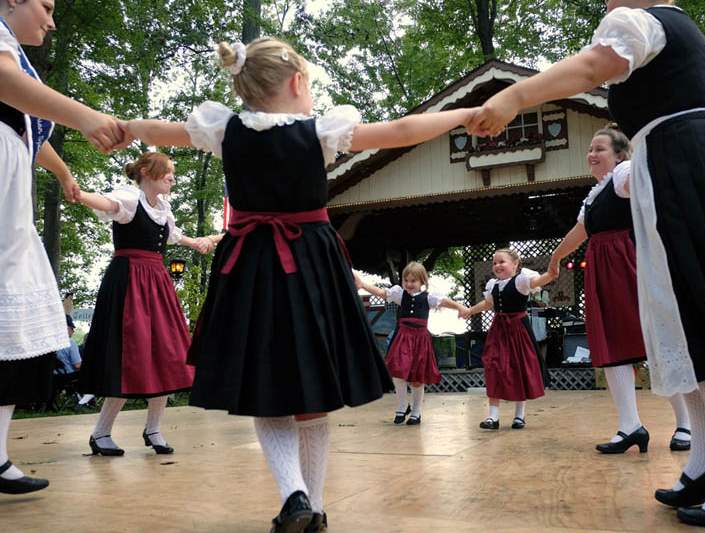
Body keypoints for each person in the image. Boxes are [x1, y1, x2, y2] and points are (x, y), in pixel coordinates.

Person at [123, 37, 478, 532]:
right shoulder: (318, 132)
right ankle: (311, 502)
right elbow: (400, 130)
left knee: (268, 386)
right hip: (310, 263)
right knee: (311, 390)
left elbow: (154, 129)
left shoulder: (226, 130)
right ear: (297, 82)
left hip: (249, 265)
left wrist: (119, 129)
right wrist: (464, 115)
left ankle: (295, 497)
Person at [468, 1, 705, 528]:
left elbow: (592, 66)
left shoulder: (642, 21)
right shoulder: (668, 30)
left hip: (686, 168)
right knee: (693, 325)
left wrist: (514, 95)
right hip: (685, 166)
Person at [0, 0, 125, 495]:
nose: (51, 20)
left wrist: (63, 170)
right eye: (45, 6)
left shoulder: (13, 52)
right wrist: (87, 117)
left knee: (13, 330)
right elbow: (8, 86)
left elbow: (25, 122)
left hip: (12, 194)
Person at [547, 124, 691, 454]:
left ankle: (687, 422)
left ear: (619, 155)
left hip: (629, 263)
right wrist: (555, 257)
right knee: (610, 345)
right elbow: (580, 231)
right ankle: (630, 426)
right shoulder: (594, 196)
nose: (592, 154)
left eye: (600, 149)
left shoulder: (625, 173)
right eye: (590, 150)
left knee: (655, 339)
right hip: (601, 267)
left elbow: (645, 185)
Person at [76, 152, 214, 457]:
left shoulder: (163, 210)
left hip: (157, 281)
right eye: (168, 172)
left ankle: (153, 429)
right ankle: (101, 433)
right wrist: (80, 193)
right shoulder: (128, 201)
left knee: (166, 353)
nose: (172, 178)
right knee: (131, 355)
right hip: (129, 282)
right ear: (147, 172)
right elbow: (107, 204)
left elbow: (176, 237)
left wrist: (202, 241)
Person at [355, 262, 467, 425]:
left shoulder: (429, 297)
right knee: (397, 372)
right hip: (403, 338)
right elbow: (381, 292)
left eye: (413, 281)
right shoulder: (400, 295)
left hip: (420, 340)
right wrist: (363, 284)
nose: (408, 284)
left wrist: (460, 307)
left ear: (422, 281)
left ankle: (416, 411)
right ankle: (402, 405)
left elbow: (445, 302)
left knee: (416, 377)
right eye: (406, 280)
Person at [460, 249, 552, 430]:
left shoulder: (522, 280)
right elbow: (487, 304)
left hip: (518, 329)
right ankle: (493, 417)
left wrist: (552, 272)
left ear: (515, 263)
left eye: (502, 262)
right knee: (493, 367)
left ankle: (519, 415)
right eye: (494, 263)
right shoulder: (493, 284)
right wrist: (470, 311)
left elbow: (540, 280)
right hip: (499, 330)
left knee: (519, 368)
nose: (497, 266)